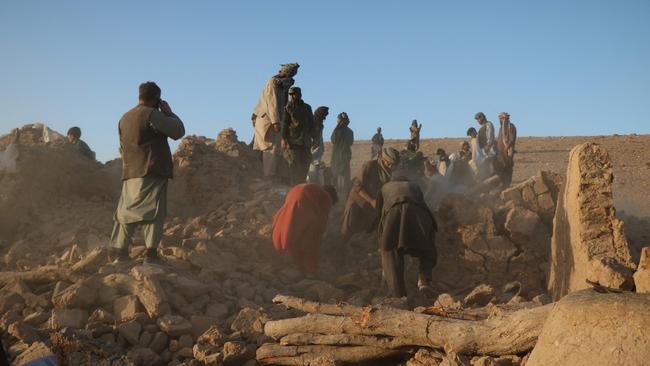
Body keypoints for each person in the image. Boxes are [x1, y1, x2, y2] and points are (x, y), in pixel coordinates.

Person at [109, 82, 185, 265]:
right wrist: (168, 112)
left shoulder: (124, 118)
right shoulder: (152, 114)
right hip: (151, 169)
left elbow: (122, 145)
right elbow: (178, 131)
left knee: (126, 211)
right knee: (153, 211)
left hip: (130, 171)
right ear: (157, 99)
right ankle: (151, 254)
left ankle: (119, 252)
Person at [376, 176, 437, 297]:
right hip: (419, 213)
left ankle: (397, 293)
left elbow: (379, 214)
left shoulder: (384, 188)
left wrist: (383, 238)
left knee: (389, 250)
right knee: (427, 244)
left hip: (394, 213)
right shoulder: (414, 186)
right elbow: (423, 203)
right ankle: (424, 279)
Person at [272, 183, 338, 275]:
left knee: (289, 226)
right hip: (303, 202)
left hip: (293, 195)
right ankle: (309, 271)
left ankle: (285, 253)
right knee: (312, 238)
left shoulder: (313, 189)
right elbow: (323, 218)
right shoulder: (326, 196)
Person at [340, 147, 400, 243]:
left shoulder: (389, 172)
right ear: (382, 159)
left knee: (368, 225)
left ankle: (358, 246)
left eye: (392, 165)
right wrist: (371, 200)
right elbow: (357, 185)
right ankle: (340, 248)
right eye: (388, 163)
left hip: (373, 203)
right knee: (349, 226)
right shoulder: (369, 166)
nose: (390, 166)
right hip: (358, 200)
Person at [252, 63, 300, 180]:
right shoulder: (273, 82)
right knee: (271, 148)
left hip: (277, 119)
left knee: (277, 148)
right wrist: (275, 122)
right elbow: (272, 103)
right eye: (292, 72)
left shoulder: (283, 84)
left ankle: (272, 175)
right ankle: (268, 176)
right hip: (268, 120)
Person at [282, 86, 316, 185]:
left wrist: (315, 137)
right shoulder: (288, 108)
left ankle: (301, 183)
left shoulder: (307, 107)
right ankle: (295, 185)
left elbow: (311, 123)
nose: (293, 97)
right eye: (291, 95)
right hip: (293, 141)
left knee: (305, 163)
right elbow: (285, 123)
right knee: (294, 164)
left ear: (299, 95)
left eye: (294, 94)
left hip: (305, 141)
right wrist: (283, 139)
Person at [330, 112, 354, 194]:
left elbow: (333, 140)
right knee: (345, 176)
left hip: (338, 156)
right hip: (344, 156)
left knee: (335, 175)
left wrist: (337, 128)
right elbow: (351, 142)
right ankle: (345, 193)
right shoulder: (350, 131)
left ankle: (336, 193)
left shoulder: (337, 130)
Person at [495, 112, 517, 187]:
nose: (502, 120)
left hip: (507, 152)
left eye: (503, 118)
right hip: (500, 153)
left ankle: (507, 184)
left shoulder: (511, 126)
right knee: (501, 168)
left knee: (508, 168)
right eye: (501, 118)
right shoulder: (501, 128)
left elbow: (512, 139)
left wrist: (507, 147)